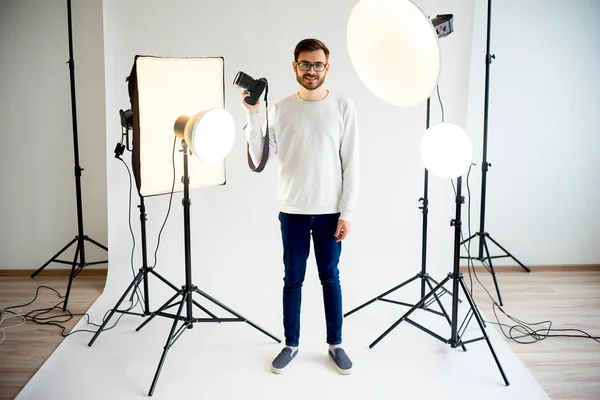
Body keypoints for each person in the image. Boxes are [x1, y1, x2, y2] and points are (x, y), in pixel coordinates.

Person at [240, 38, 359, 375]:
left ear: (327, 68)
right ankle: (291, 344)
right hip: (292, 209)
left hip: (329, 212)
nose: (311, 70)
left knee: (330, 278)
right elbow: (261, 155)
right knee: (292, 279)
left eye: (317, 64)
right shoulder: (279, 108)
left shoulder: (343, 107)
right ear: (295, 67)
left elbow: (353, 164)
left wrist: (347, 214)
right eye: (305, 64)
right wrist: (253, 115)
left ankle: (335, 344)